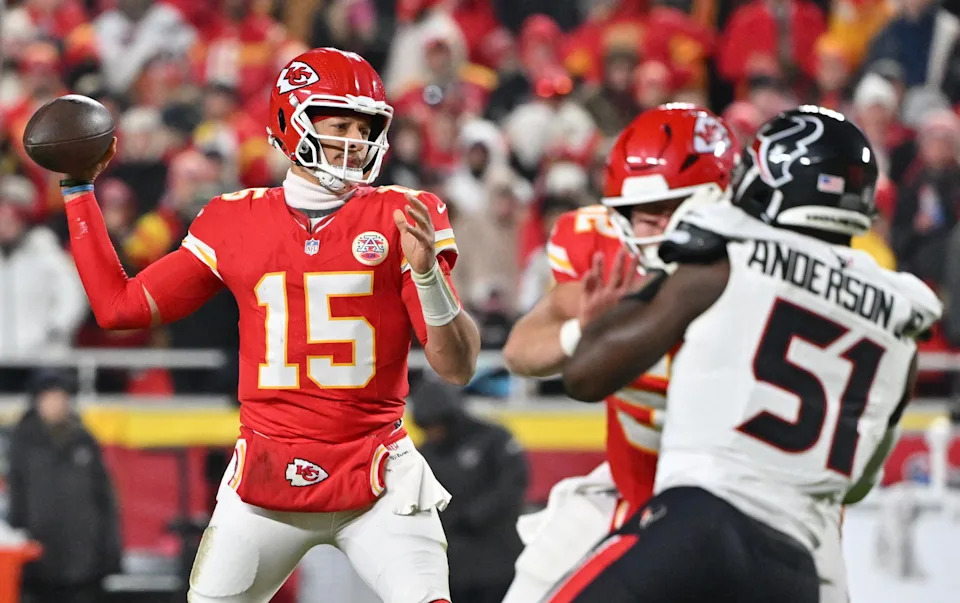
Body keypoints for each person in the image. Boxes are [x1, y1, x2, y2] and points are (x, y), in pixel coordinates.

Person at [57, 47, 481, 603]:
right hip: (265, 475)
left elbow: (456, 366)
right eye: (339, 125)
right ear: (289, 124)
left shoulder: (402, 211)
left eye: (366, 126)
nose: (356, 141)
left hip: (377, 473)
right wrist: (78, 192)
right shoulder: (234, 218)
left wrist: (427, 277)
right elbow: (119, 308)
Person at [553, 106, 942, 602]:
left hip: (700, 524)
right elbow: (860, 484)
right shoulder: (900, 319)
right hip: (801, 567)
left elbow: (585, 375)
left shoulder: (731, 255)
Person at [501, 103, 739, 603]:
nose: (646, 233)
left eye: (664, 213)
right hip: (631, 490)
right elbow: (520, 351)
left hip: (733, 510)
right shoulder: (604, 252)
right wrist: (582, 333)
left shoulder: (755, 270)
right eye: (637, 217)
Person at [410, 376, 529, 603]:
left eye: (436, 425)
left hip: (499, 560)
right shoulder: (422, 457)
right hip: (451, 569)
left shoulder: (494, 439)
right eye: (427, 427)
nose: (433, 433)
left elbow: (512, 485)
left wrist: (471, 516)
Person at [8, 369, 122, 603]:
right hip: (39, 563)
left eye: (60, 397)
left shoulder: (85, 440)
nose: (55, 404)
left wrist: (110, 552)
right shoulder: (23, 442)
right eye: (48, 397)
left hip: (84, 562)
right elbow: (17, 499)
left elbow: (104, 499)